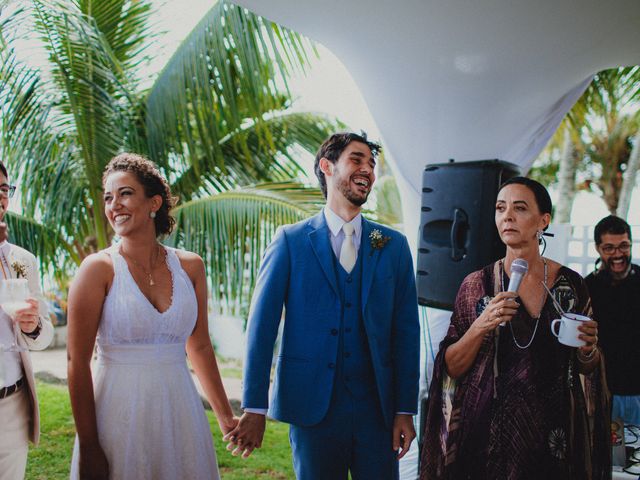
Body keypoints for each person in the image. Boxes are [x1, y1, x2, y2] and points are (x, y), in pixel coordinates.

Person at [226, 132, 420, 478]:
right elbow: (262, 326)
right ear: (327, 167)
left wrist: (405, 409)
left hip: (377, 410)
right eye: (357, 160)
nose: (367, 170)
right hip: (311, 407)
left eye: (372, 164)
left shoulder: (393, 246)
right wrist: (254, 407)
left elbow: (406, 332)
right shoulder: (290, 241)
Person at [420, 177, 611, 480]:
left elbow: (588, 369)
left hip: (553, 441)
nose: (506, 215)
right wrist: (482, 324)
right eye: (500, 208)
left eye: (519, 208)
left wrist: (589, 351)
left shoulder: (572, 285)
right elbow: (452, 368)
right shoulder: (476, 285)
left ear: (543, 220)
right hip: (486, 440)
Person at [67, 153, 237, 480]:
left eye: (125, 193)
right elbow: (77, 361)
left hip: (180, 411)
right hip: (116, 414)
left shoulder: (191, 267)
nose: (114, 204)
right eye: (108, 197)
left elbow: (199, 346)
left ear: (153, 202)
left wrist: (225, 417)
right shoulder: (97, 269)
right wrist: (89, 445)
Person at [0, 160, 54, 480]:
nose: (0, 197)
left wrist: (33, 326)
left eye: (4, 189)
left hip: (12, 405)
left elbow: (45, 336)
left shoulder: (23, 260)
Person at [585, 215, 640, 426]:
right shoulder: (587, 288)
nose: (618, 254)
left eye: (623, 246)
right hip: (603, 395)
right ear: (598, 249)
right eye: (609, 248)